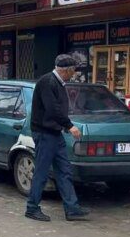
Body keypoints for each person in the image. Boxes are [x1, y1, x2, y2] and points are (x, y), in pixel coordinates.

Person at [25, 54, 89, 222]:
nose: (74, 74)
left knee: (64, 171)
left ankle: (72, 209)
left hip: (54, 133)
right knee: (42, 171)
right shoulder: (48, 82)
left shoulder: (58, 83)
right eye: (73, 71)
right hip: (45, 133)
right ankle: (32, 207)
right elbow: (53, 110)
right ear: (65, 70)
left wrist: (64, 126)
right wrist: (69, 125)